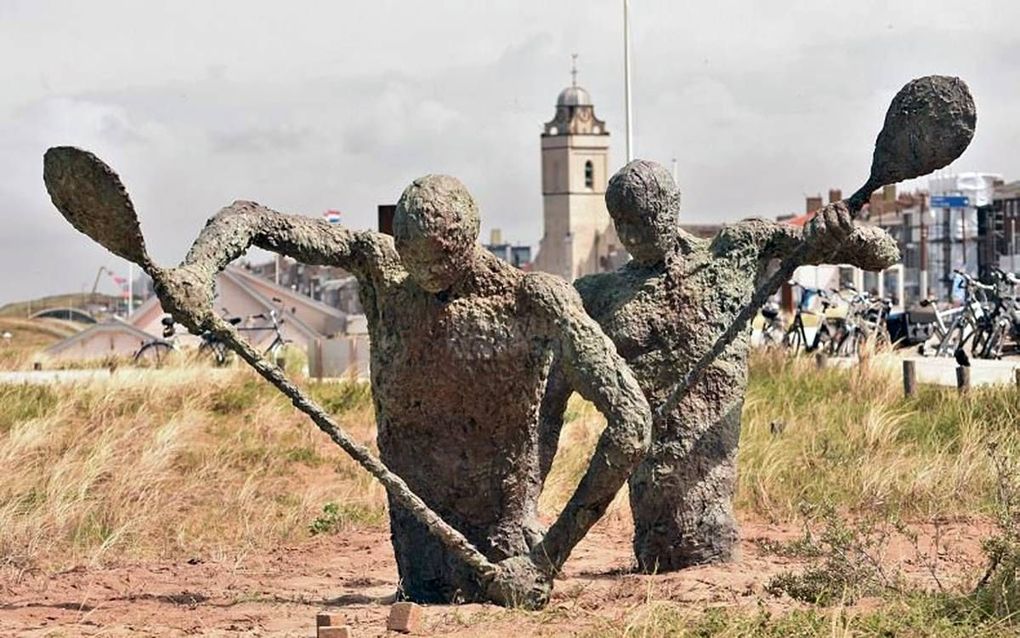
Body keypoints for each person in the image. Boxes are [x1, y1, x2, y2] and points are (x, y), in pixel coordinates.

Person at [159, 174, 652, 604]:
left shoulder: (531, 300)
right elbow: (251, 218)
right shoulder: (384, 270)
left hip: (502, 550)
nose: (423, 276)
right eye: (410, 258)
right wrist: (198, 270)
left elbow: (632, 420)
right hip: (416, 552)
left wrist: (547, 560)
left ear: (464, 243)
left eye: (436, 262)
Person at [540, 160, 899, 572]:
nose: (633, 234)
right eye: (623, 222)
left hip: (713, 527)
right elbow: (543, 405)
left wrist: (839, 232)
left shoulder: (735, 254)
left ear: (671, 208)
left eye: (644, 219)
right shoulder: (600, 296)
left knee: (705, 545)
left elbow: (883, 252)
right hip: (652, 532)